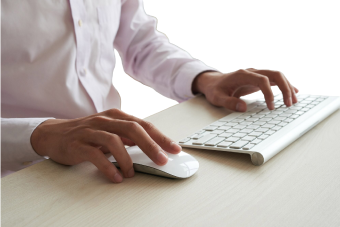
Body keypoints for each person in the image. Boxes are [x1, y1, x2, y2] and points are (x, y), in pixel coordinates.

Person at [0, 0, 298, 182]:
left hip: (110, 157)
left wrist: (205, 79)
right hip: (16, 176)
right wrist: (38, 134)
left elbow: (140, 40)